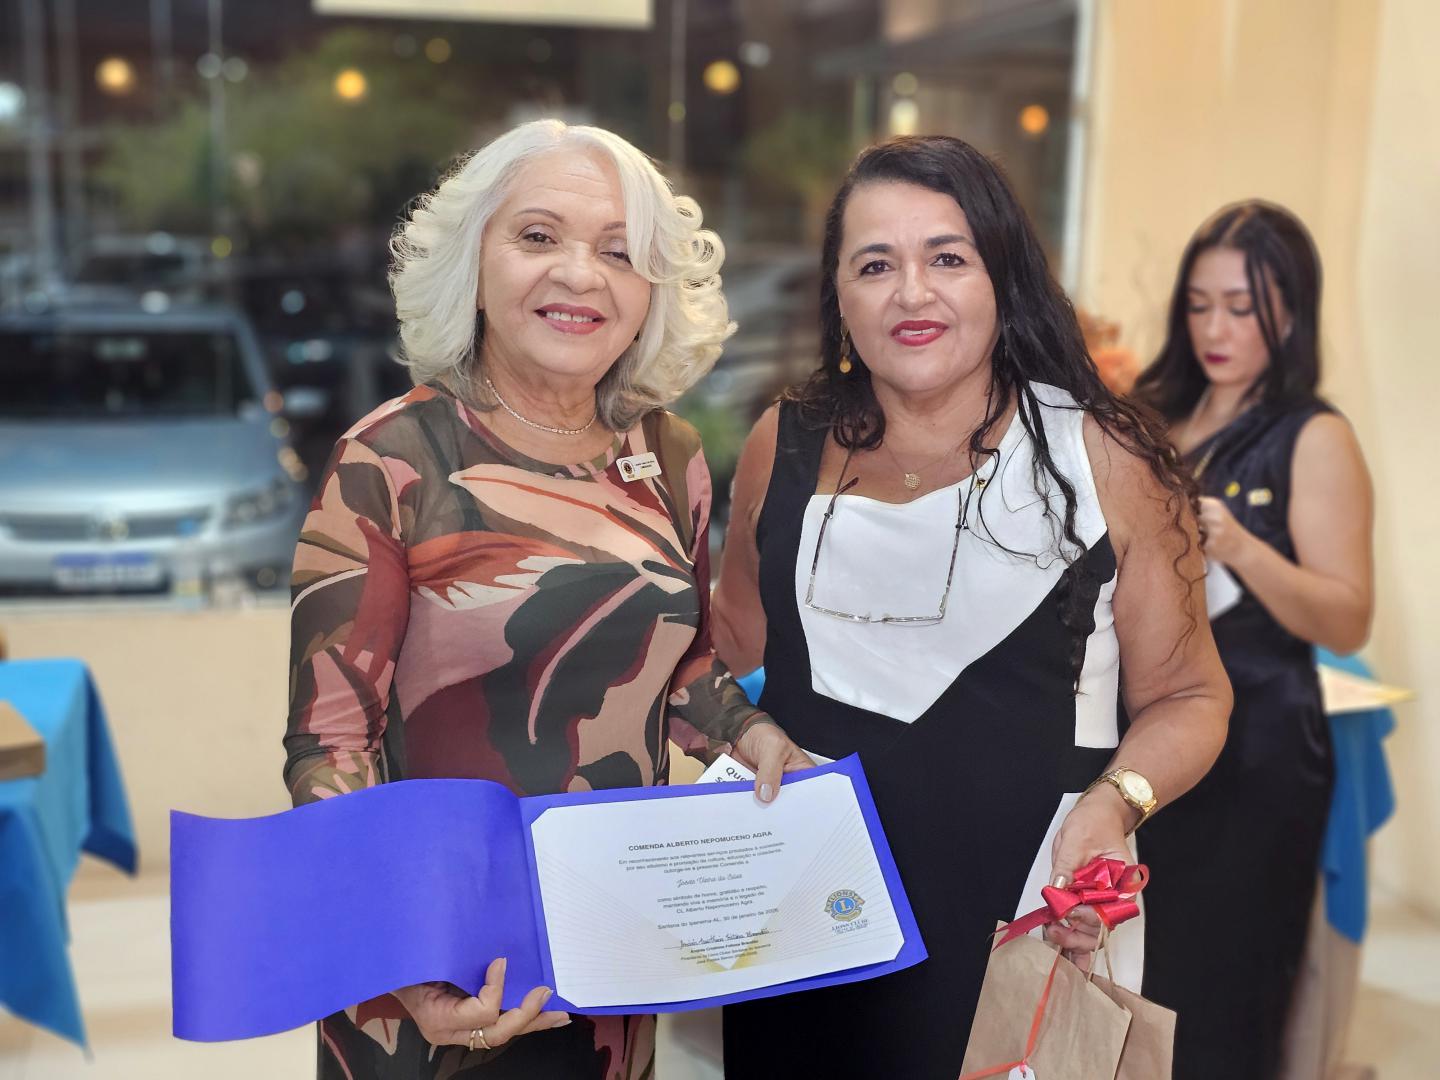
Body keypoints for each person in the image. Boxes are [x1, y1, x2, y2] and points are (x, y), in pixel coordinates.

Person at [281, 119, 811, 1080]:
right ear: (474, 263)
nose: (579, 274)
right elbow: (331, 743)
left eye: (619, 250)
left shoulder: (670, 455)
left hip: (612, 944)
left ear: (652, 289)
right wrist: (403, 957)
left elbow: (681, 664)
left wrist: (748, 732)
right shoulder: (388, 458)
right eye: (538, 236)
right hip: (431, 971)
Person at [712, 134, 1232, 1079]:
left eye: (947, 258)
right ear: (838, 296)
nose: (912, 293)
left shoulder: (1106, 460)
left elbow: (1191, 697)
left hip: (1030, 907)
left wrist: (1116, 805)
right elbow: (727, 647)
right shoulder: (780, 443)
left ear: (1003, 278)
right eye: (876, 265)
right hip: (803, 910)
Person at [1132, 200, 1374, 1080]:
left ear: (1291, 313)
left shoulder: (1313, 436)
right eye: (1200, 305)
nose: (1215, 330)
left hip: (1260, 746)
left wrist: (1241, 548)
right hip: (1153, 730)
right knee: (1143, 975)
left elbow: (1347, 617)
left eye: (1242, 308)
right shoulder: (1155, 411)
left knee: (1227, 989)